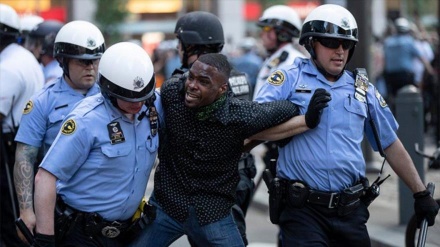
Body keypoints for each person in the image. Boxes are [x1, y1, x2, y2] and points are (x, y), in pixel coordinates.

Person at [253, 4, 439, 246]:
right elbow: (253, 126)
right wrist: (303, 122)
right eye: (331, 43)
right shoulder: (289, 78)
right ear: (312, 43)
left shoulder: (362, 88)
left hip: (350, 213)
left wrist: (420, 192)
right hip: (302, 212)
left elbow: (390, 143)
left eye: (346, 44)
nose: (340, 51)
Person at [130, 52, 326, 247]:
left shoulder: (241, 114)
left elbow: (285, 109)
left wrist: (309, 116)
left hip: (213, 213)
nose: (192, 85)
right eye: (191, 77)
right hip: (167, 205)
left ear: (222, 89)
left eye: (203, 82)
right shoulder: (172, 92)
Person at [33, 41, 162, 246]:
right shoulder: (86, 120)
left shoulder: (153, 104)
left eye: (143, 96)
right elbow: (45, 177)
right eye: (129, 98)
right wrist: (45, 238)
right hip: (82, 234)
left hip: (128, 232)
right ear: (108, 90)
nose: (138, 104)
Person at [161, 11, 254, 245]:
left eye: (181, 44)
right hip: (240, 173)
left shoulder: (187, 82)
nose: (179, 49)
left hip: (209, 182)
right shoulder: (237, 76)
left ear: (191, 46)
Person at [13, 20, 104, 244]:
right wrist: (26, 210)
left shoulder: (111, 96)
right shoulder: (42, 103)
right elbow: (25, 157)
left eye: (95, 61)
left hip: (106, 211)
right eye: (82, 62)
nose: (90, 67)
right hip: (62, 209)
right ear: (63, 61)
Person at [0, 3, 44, 246]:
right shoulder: (22, 56)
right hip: (28, 140)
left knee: (12, 216)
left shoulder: (7, 67)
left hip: (10, 146)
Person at [252, 5, 307, 99]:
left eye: (266, 29)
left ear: (282, 33)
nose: (262, 34)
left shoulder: (293, 61)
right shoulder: (276, 58)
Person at [383, 17, 434, 111]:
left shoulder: (388, 42)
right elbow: (421, 58)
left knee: (393, 99)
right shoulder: (409, 41)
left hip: (390, 77)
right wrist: (430, 70)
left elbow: (384, 61)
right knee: (411, 98)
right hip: (405, 77)